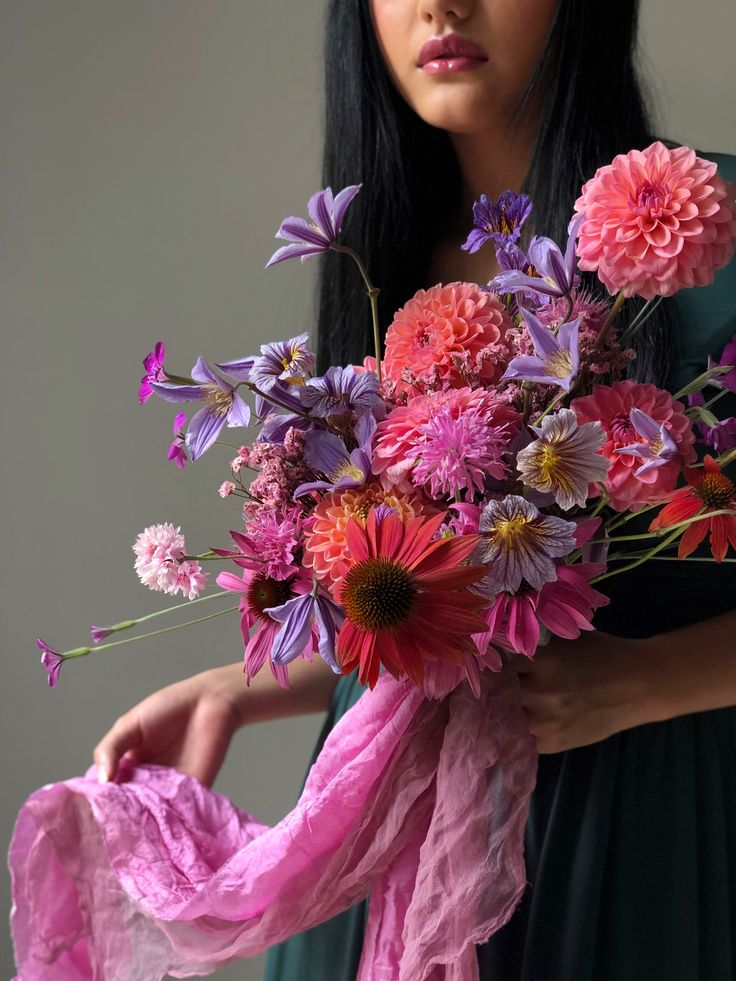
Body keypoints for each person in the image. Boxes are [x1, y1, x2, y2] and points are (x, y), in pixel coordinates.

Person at [94, 1, 736, 979]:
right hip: (397, 867)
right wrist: (237, 688)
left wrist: (649, 681)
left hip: (651, 843)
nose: (441, 3)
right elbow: (442, 621)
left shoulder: (716, 237)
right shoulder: (381, 272)